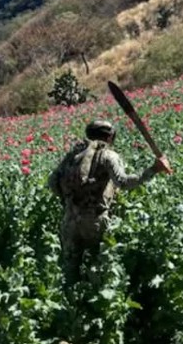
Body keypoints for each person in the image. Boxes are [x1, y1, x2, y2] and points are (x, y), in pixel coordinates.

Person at [48, 120, 172, 282]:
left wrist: (67, 202)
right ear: (110, 136)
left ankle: (69, 303)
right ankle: (94, 303)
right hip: (95, 221)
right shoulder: (107, 155)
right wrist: (153, 170)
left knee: (70, 270)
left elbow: (52, 182)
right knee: (99, 267)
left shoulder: (73, 155)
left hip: (70, 219)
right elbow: (123, 182)